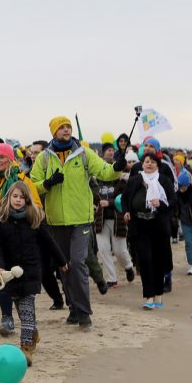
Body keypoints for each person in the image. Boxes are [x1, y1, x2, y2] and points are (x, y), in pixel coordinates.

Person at [30, 116, 126, 329]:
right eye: (62, 127)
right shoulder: (44, 158)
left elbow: (105, 171)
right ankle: (73, 308)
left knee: (78, 262)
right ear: (54, 132)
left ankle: (83, 312)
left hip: (82, 219)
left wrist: (118, 166)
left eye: (68, 127)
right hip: (56, 220)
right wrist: (47, 183)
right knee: (64, 265)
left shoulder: (84, 153)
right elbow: (32, 185)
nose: (66, 130)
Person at [0, 182, 67, 365]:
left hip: (31, 272)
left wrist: (62, 261)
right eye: (14, 196)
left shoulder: (34, 219)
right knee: (21, 309)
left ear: (27, 200)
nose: (18, 200)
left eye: (21, 197)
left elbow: (49, 242)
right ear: (8, 198)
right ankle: (33, 333)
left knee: (26, 311)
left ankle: (26, 349)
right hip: (10, 274)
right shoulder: (0, 220)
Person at [0, 142, 42, 335]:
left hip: (19, 238)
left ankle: (25, 319)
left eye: (1, 157)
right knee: (0, 275)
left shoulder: (22, 180)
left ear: (10, 159)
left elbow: (36, 205)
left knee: (17, 281)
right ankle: (7, 317)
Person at [123, 152, 176, 309]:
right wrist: (126, 211)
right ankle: (149, 296)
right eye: (147, 161)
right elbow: (125, 198)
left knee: (158, 260)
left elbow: (173, 201)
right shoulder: (134, 180)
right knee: (145, 260)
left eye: (153, 162)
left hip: (158, 224)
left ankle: (158, 295)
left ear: (157, 165)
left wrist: (161, 203)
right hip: (139, 225)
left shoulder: (164, 180)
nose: (149, 164)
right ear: (142, 164)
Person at [94, 143, 134, 287]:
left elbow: (124, 197)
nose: (110, 153)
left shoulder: (122, 179)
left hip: (117, 218)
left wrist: (109, 203)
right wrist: (94, 203)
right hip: (100, 218)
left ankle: (128, 266)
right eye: (108, 151)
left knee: (119, 251)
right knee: (103, 250)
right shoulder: (95, 178)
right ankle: (112, 278)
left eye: (112, 151)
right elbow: (92, 194)